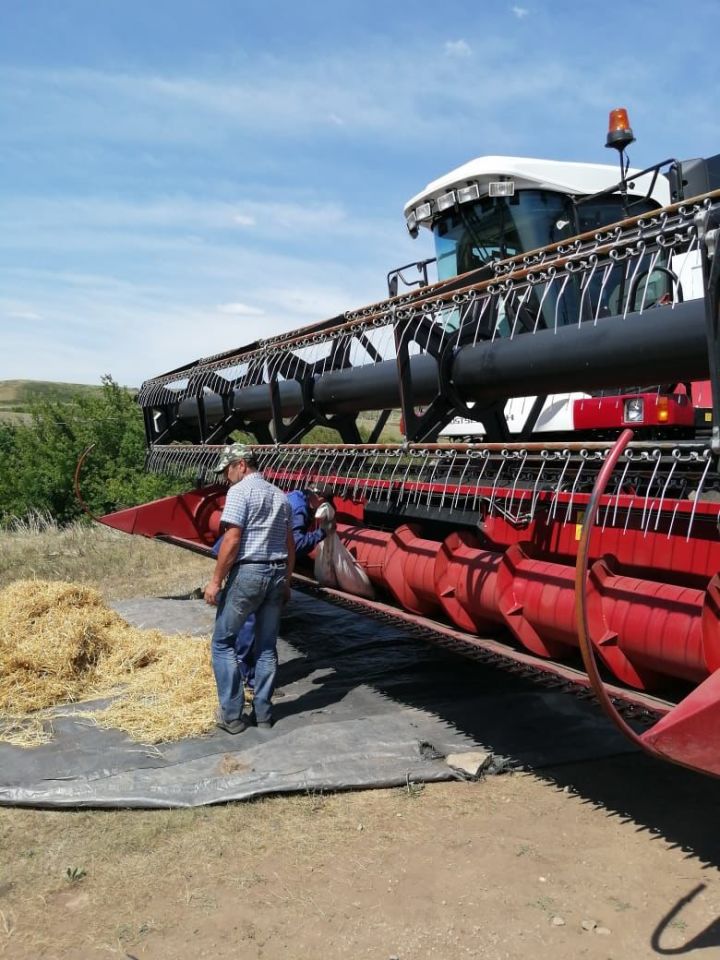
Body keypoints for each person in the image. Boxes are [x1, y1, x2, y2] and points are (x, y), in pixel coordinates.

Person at [204, 443, 295, 735]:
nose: (226, 477)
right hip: (277, 571)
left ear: (241, 464)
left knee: (222, 642)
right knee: (266, 647)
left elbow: (232, 539)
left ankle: (231, 716)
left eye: (228, 470)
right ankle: (264, 714)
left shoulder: (239, 492)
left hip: (249, 572)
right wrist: (288, 582)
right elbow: (290, 546)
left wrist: (216, 581)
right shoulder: (280, 496)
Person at [210, 481, 334, 696]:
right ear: (319, 499)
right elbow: (294, 545)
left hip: (246, 561)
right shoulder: (298, 508)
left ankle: (246, 681)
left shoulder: (293, 497)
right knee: (252, 630)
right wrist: (321, 533)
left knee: (246, 629)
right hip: (256, 567)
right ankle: (249, 683)